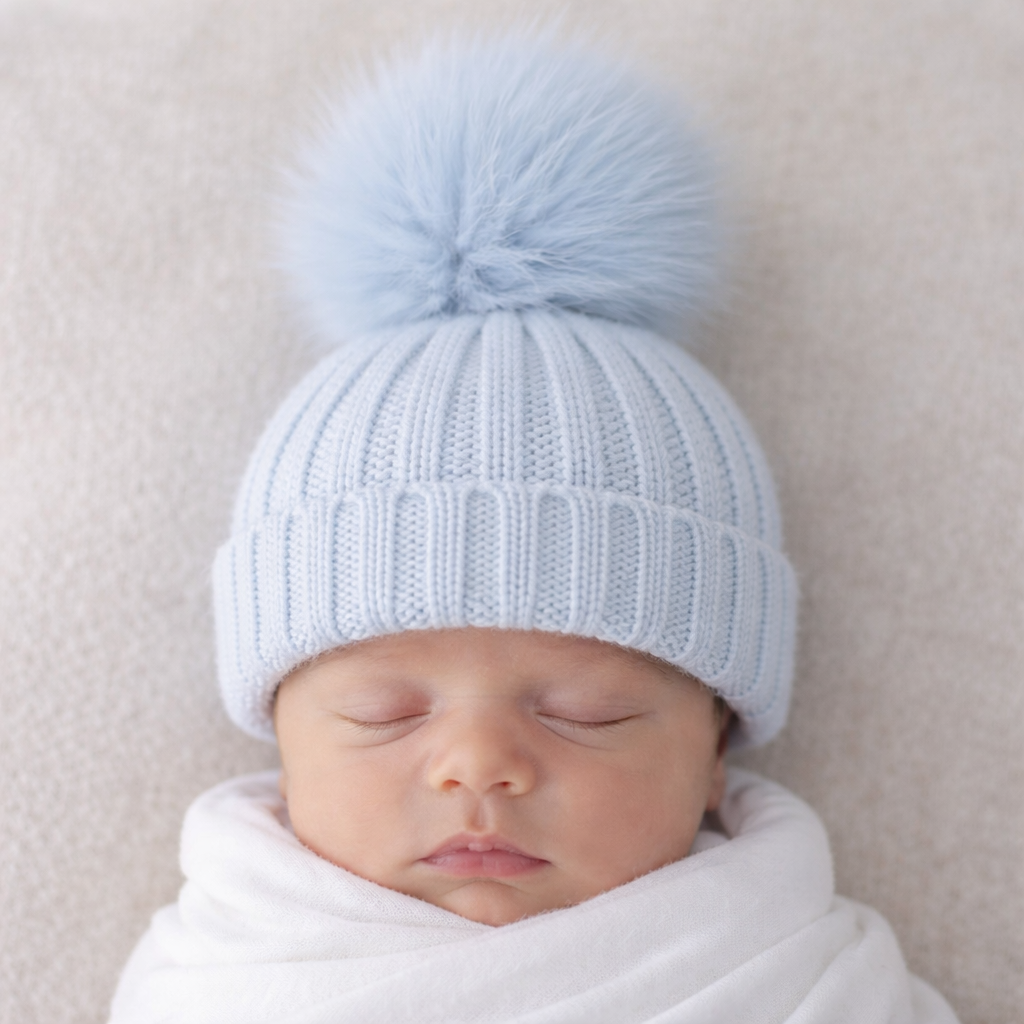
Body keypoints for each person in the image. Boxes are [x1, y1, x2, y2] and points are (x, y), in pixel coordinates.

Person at [109, 33, 959, 1023]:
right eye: (384, 709)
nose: (477, 762)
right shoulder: (221, 976)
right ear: (279, 734)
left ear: (715, 748)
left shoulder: (801, 974)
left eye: (588, 710)